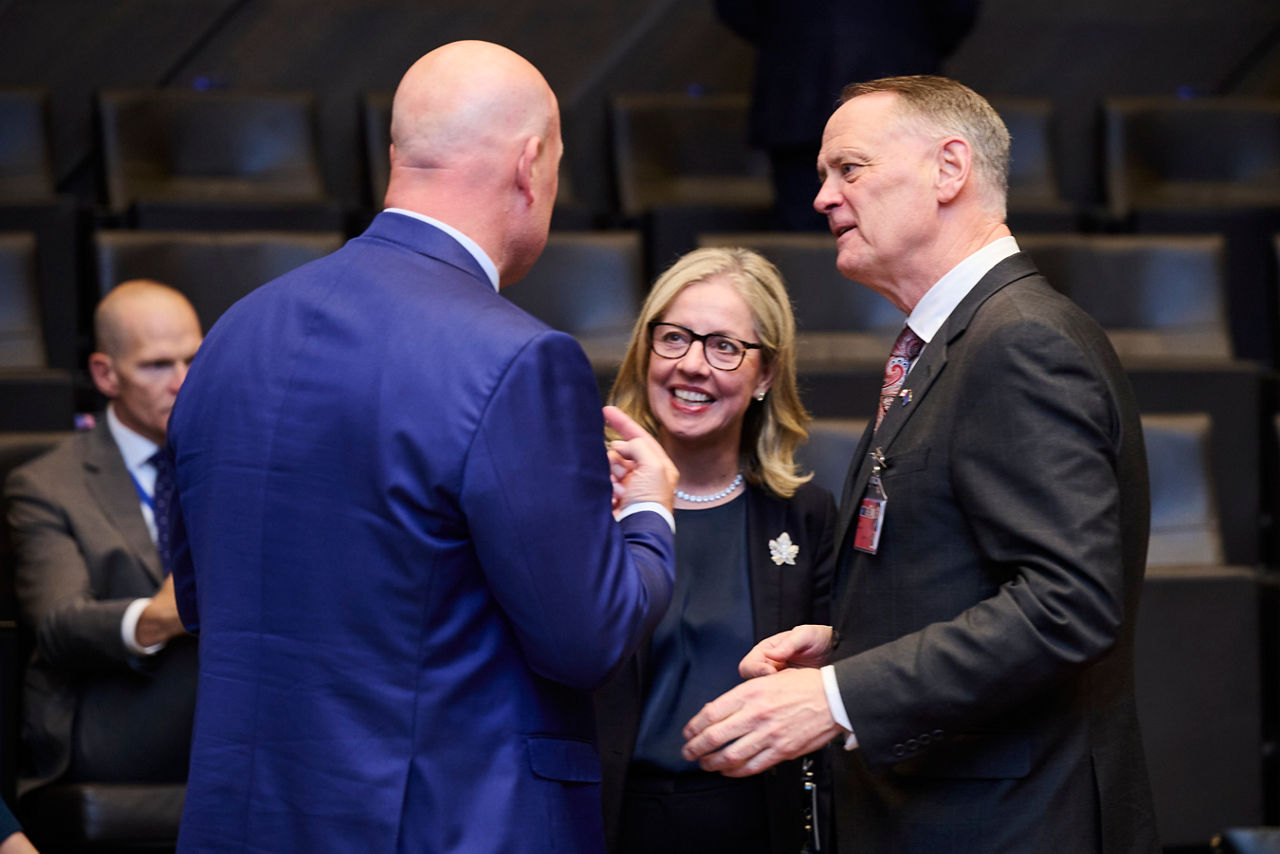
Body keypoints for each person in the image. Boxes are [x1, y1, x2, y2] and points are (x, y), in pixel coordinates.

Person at [163, 40, 678, 853]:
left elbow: (200, 598)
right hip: (445, 823)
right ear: (532, 162)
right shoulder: (517, 358)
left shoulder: (232, 333)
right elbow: (587, 638)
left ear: (400, 155)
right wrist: (649, 517)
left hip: (245, 822)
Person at [681, 75, 1160, 852]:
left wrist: (839, 695)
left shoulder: (1020, 341)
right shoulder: (962, 339)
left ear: (948, 169)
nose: (823, 199)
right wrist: (854, 643)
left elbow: (1068, 605)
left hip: (1012, 825)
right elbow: (974, 572)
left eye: (850, 168)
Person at [595, 247, 836, 853]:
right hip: (606, 824)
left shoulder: (805, 518)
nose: (691, 366)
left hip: (756, 828)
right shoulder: (587, 500)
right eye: (673, 338)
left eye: (725, 346)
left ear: (766, 375)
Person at [4, 280, 200, 790]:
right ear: (105, 374)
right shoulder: (47, 484)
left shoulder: (233, 467)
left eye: (194, 361)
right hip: (111, 715)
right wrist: (160, 618)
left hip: (222, 716)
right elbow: (58, 624)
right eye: (158, 365)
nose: (182, 382)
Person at [715, 0, 978, 230]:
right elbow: (957, 10)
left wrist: (793, 37)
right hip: (896, 77)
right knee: (904, 226)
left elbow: (736, 8)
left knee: (802, 235)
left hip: (799, 86)